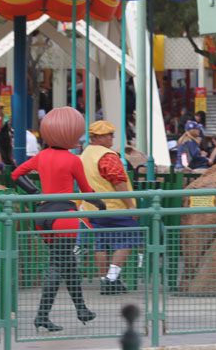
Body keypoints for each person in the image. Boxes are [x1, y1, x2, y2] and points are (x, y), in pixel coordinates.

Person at [12, 106, 101, 332]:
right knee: (58, 265)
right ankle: (41, 315)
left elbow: (16, 174)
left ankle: (82, 310)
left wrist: (34, 193)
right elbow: (86, 191)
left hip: (42, 216)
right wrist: (102, 204)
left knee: (67, 263)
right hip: (64, 216)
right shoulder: (73, 161)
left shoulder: (42, 156)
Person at [80, 120, 141, 295]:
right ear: (98, 137)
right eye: (109, 134)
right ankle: (111, 279)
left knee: (102, 244)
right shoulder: (107, 155)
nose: (112, 137)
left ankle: (104, 280)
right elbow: (118, 181)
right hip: (114, 206)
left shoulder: (85, 154)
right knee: (128, 238)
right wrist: (131, 205)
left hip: (93, 207)